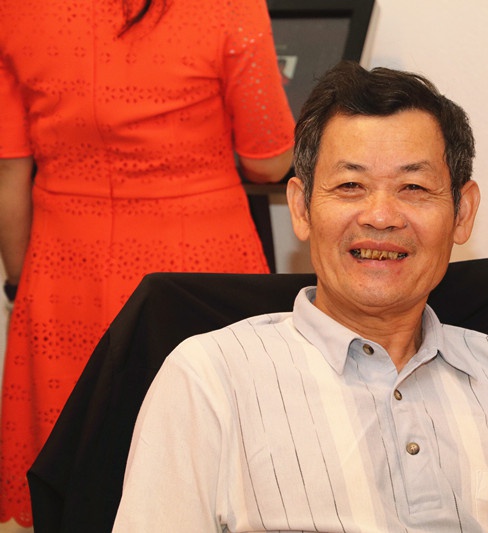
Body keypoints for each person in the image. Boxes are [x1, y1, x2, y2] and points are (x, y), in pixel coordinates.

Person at [112, 61, 488, 532]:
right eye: (351, 185)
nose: (381, 216)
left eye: (414, 187)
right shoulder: (208, 379)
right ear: (301, 209)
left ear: (462, 213)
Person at [0, 0, 294, 525]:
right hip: (197, 268)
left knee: (78, 480)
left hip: (64, 271)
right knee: (207, 471)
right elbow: (268, 160)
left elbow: (10, 172)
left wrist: (22, 282)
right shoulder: (228, 7)